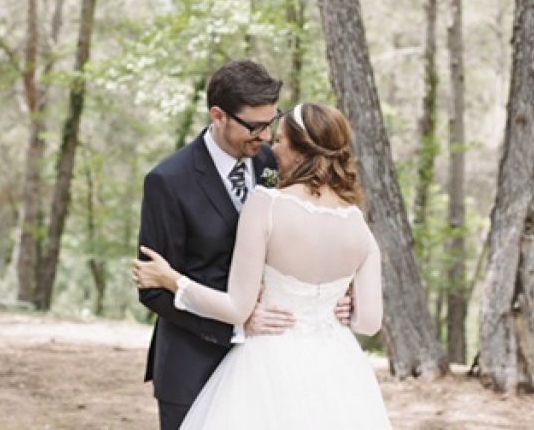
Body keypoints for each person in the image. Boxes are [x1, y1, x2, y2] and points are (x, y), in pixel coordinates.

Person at [135, 102, 391, 429]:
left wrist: (173, 280)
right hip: (339, 371)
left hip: (270, 364)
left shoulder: (266, 204)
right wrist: (345, 308)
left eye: (281, 140)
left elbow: (236, 309)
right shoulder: (358, 224)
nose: (272, 147)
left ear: (301, 151)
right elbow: (369, 322)